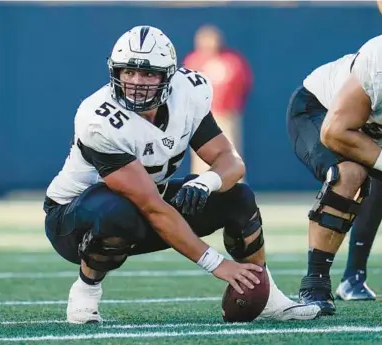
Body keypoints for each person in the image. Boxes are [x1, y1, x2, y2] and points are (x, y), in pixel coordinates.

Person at [44, 26, 320, 324]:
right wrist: (217, 264)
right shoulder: (99, 118)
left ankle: (267, 295)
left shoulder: (189, 93)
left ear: (168, 76)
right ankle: (86, 290)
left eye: (148, 74)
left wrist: (207, 181)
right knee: (116, 210)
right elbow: (150, 205)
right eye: (128, 72)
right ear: (116, 72)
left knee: (238, 197)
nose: (136, 82)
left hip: (148, 204)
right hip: (73, 222)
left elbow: (230, 161)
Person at [287, 35, 382, 315]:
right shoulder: (377, 61)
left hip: (371, 126)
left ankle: (353, 278)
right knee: (348, 174)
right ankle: (314, 283)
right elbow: (334, 132)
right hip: (322, 110)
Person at [183, 25, 252, 174]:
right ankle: (200, 189)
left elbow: (243, 84)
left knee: (230, 152)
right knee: (201, 155)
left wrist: (234, 106)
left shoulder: (232, 60)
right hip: (200, 117)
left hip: (225, 115)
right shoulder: (193, 61)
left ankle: (234, 189)